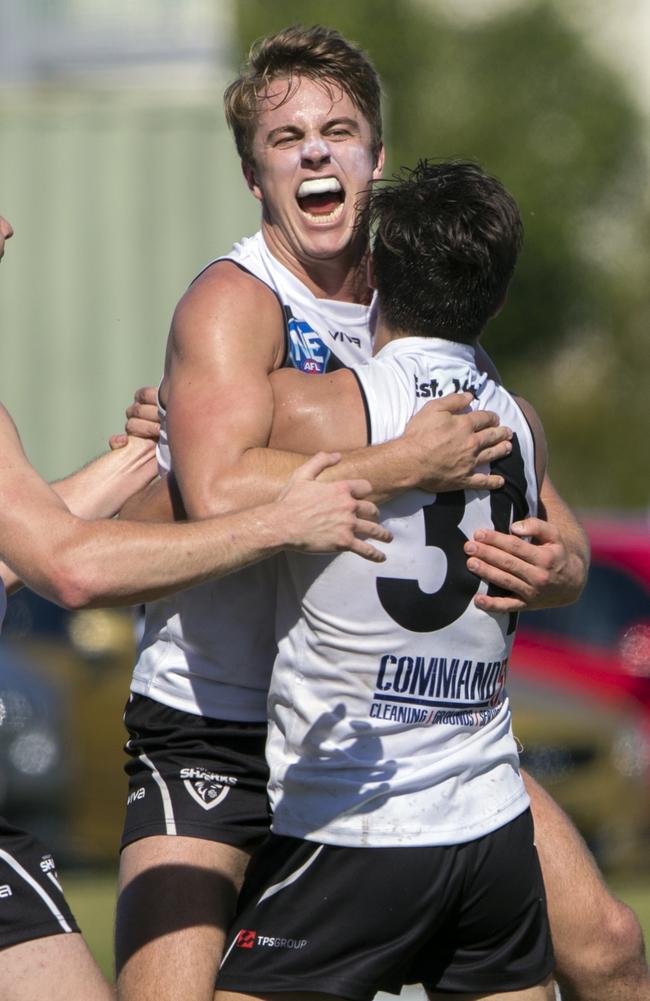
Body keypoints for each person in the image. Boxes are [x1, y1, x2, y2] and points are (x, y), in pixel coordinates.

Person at [115, 26, 648, 1001]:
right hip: (218, 714)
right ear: (254, 172)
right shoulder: (233, 302)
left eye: (339, 130)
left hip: (384, 730)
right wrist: (397, 460)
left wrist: (557, 563)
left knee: (608, 940)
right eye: (286, 139)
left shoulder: (412, 291)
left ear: (375, 159)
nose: (315, 150)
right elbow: (218, 488)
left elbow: (543, 507)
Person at [0, 213, 391, 1001]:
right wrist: (281, 521)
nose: (7, 227)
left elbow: (25, 543)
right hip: (200, 738)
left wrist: (153, 453)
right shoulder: (233, 296)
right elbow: (68, 569)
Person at [216, 156, 556, 1001]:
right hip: (492, 825)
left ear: (370, 275)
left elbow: (207, 478)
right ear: (500, 299)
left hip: (356, 815)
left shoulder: (318, 406)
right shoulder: (521, 423)